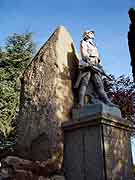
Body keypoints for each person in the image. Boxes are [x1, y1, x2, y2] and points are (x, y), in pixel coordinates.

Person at [75, 30, 114, 107]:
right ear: (87, 34)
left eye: (92, 33)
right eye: (91, 33)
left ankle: (107, 102)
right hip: (88, 65)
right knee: (84, 84)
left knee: (99, 85)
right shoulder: (84, 42)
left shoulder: (94, 45)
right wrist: (88, 60)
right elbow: (84, 53)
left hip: (96, 65)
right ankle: (80, 103)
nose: (92, 34)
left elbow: (97, 56)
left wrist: (97, 64)